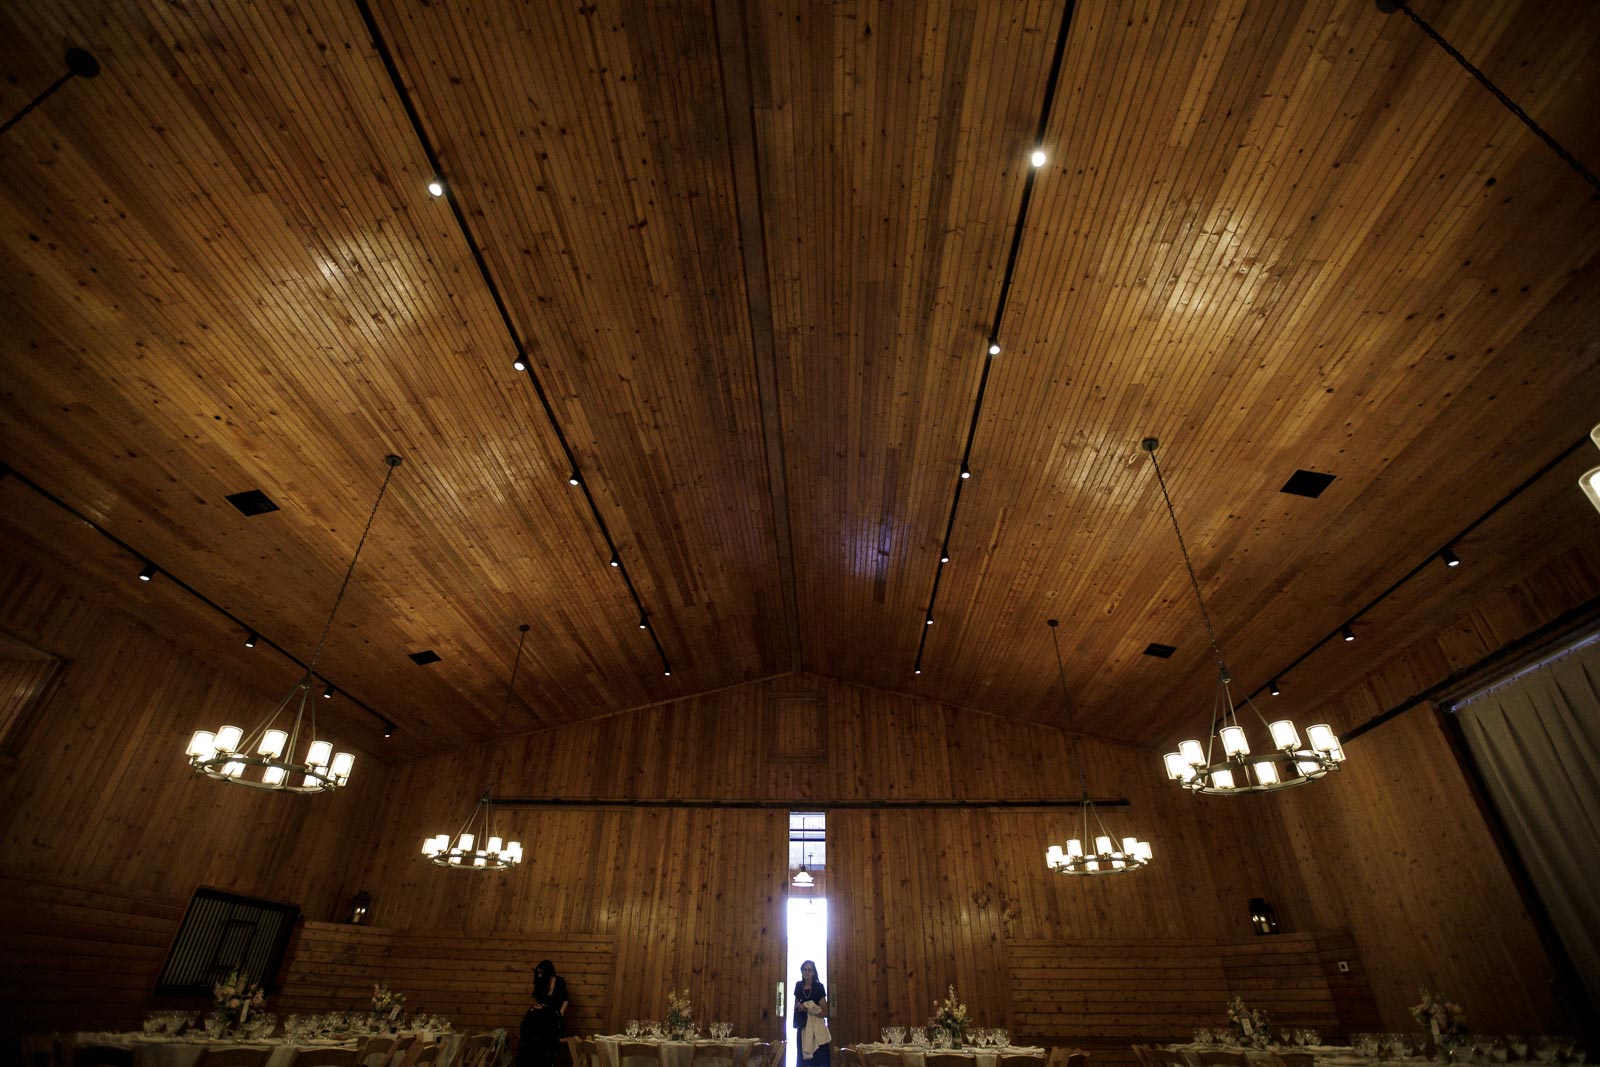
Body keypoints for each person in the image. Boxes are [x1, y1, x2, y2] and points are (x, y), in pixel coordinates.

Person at [518, 959, 570, 1067]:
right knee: (531, 1015)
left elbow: (565, 999)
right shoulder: (541, 982)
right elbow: (540, 1001)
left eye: (541, 973)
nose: (539, 975)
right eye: (538, 973)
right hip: (543, 1012)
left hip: (554, 1013)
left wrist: (560, 1012)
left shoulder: (559, 981)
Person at [792, 960, 830, 1067]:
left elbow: (825, 1011)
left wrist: (809, 1009)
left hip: (816, 1028)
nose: (807, 972)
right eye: (804, 969)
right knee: (802, 1057)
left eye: (809, 970)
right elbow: (796, 1006)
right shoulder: (798, 986)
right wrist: (801, 1007)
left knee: (819, 1058)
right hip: (803, 1026)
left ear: (814, 972)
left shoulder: (819, 987)